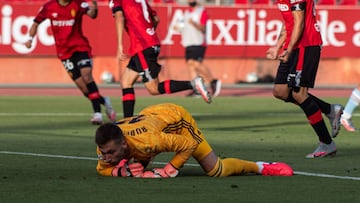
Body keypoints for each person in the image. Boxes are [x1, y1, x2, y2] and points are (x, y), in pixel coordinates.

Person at [94, 103, 293, 178]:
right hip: (152, 117)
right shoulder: (105, 145)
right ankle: (134, 163)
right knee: (136, 167)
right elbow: (102, 167)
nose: (106, 156)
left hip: (177, 120)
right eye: (104, 152)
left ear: (123, 144)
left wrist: (172, 167)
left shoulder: (150, 141)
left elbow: (187, 145)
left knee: (217, 171)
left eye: (110, 153)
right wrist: (118, 170)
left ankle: (261, 167)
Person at [265, 0, 343, 158]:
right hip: (293, 45)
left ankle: (327, 143)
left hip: (306, 44)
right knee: (280, 91)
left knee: (299, 94)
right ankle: (329, 109)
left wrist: (290, 49)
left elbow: (299, 22)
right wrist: (277, 46)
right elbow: (289, 22)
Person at [109, 0, 211, 118]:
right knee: (126, 81)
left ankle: (193, 84)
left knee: (153, 88)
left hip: (141, 46)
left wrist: (120, 45)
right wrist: (148, 34)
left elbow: (119, 17)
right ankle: (127, 122)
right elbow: (156, 19)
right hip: (150, 43)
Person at [25, 0, 116, 125]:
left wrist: (95, 9)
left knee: (87, 76)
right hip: (64, 52)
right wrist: (30, 39)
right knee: (84, 90)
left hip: (80, 47)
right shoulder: (49, 7)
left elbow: (92, 15)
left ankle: (97, 113)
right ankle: (104, 101)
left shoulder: (77, 3)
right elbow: (36, 23)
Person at [175, 0, 221, 97]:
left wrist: (194, 24)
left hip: (198, 41)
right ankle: (196, 88)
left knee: (195, 63)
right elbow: (183, 27)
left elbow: (203, 28)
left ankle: (213, 80)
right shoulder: (186, 13)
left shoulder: (201, 11)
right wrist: (178, 28)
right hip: (188, 42)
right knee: (190, 65)